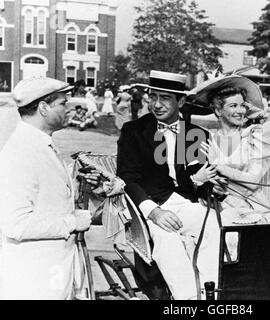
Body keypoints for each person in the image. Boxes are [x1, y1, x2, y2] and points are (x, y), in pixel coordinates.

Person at [117, 70, 222, 300]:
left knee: (213, 224)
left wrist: (209, 185)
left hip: (183, 202)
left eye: (165, 98)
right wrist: (153, 212)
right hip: (149, 205)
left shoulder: (195, 134)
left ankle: (209, 296)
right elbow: (128, 179)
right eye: (153, 97)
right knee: (167, 239)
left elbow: (195, 181)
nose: (156, 104)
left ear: (181, 101)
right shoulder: (134, 131)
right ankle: (187, 301)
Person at [0, 77, 94, 299]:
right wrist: (72, 221)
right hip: (34, 279)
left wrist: (75, 180)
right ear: (43, 108)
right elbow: (16, 224)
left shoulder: (39, 142)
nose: (68, 107)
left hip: (51, 273)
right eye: (62, 103)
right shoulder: (20, 152)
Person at [193, 75, 270, 225]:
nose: (240, 111)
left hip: (252, 207)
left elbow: (253, 181)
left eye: (243, 105)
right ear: (218, 111)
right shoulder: (209, 140)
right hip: (221, 205)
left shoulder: (252, 137)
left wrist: (218, 166)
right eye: (233, 106)